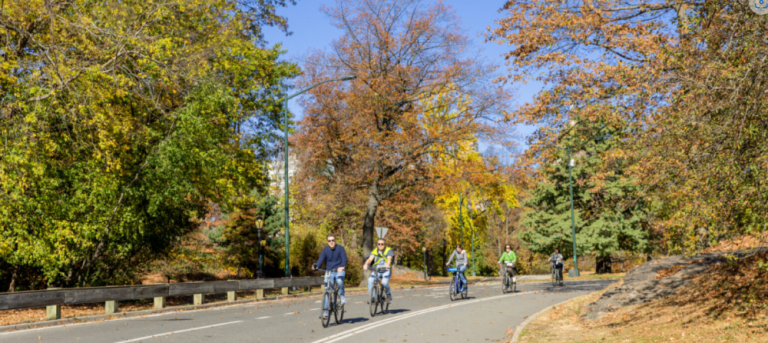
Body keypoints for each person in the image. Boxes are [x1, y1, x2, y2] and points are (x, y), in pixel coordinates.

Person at [312, 233, 348, 319]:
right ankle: (325, 312)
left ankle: (342, 295)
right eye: (329, 241)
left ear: (335, 241)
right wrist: (316, 266)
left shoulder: (340, 248)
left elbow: (344, 259)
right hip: (329, 272)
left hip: (339, 270)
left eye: (333, 240)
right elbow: (320, 260)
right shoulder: (325, 250)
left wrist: (342, 266)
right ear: (327, 242)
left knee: (339, 281)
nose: (331, 242)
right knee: (327, 291)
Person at [364, 238, 395, 303]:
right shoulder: (375, 251)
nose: (380, 245)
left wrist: (387, 264)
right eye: (379, 244)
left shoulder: (388, 250)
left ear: (384, 244)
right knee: (370, 280)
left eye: (382, 244)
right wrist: (366, 264)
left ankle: (388, 293)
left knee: (384, 282)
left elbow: (389, 259)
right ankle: (372, 297)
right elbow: (369, 259)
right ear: (377, 245)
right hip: (377, 270)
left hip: (386, 270)